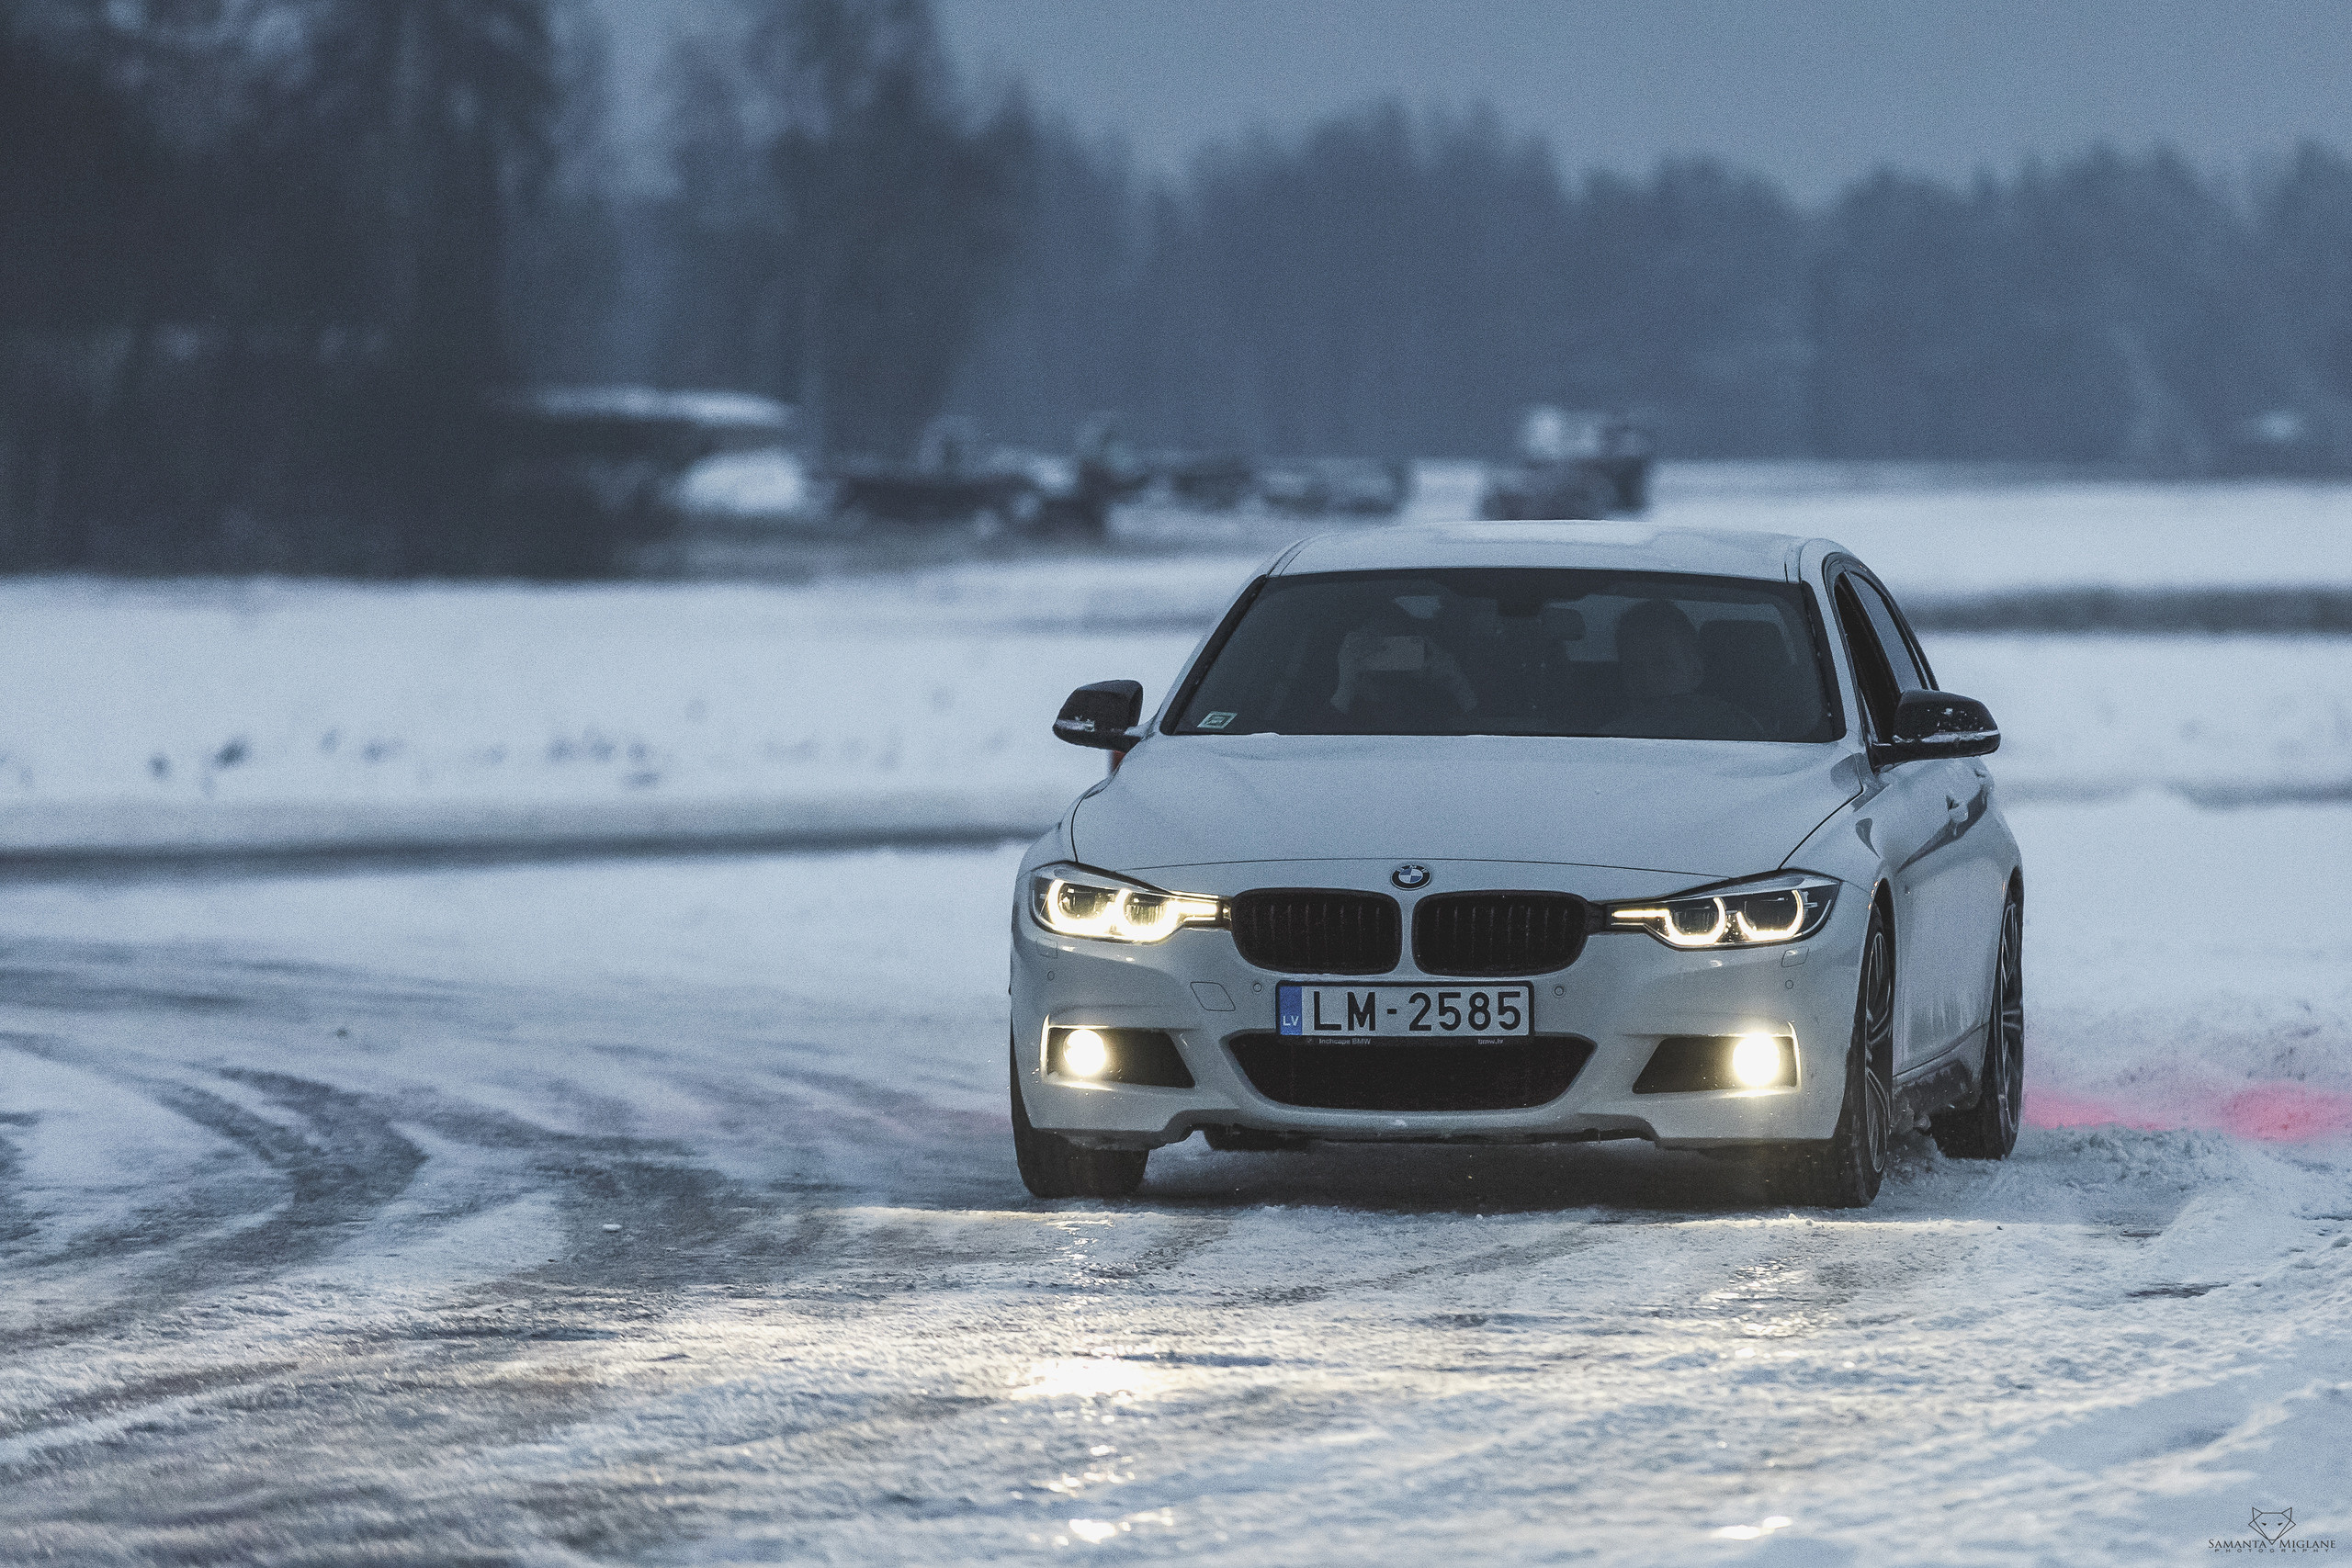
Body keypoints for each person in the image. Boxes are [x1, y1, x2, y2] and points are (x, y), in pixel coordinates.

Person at [1612, 600, 1760, 739]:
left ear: (1696, 671)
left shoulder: (1737, 733)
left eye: (1662, 665)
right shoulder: (1607, 741)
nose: (1647, 679)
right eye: (1633, 667)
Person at [1328, 607, 1478, 730]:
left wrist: (1459, 686)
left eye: (1398, 643)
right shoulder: (1335, 697)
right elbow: (1318, 749)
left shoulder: (1431, 701)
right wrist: (1345, 688)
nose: (1387, 652)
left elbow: (1482, 742)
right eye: (1377, 645)